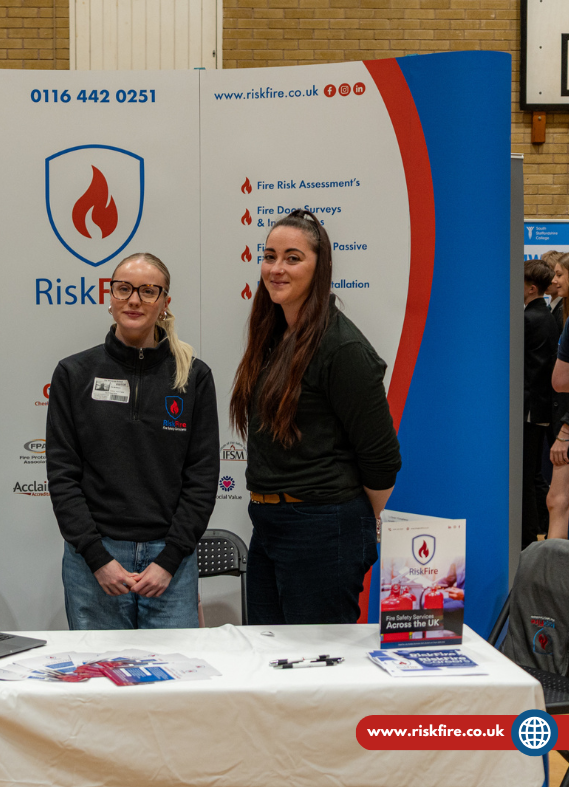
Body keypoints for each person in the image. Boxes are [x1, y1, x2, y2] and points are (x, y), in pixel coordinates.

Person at [229, 209, 401, 625]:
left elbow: (382, 460)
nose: (276, 268)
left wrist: (359, 518)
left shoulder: (342, 348)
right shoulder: (273, 336)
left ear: (319, 267)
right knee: (269, 662)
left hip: (324, 527)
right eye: (270, 256)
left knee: (317, 676)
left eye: (292, 257)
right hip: (269, 521)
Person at [46, 252, 219, 629]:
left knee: (174, 680)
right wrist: (97, 558)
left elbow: (203, 478)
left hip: (170, 562)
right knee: (98, 680)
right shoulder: (74, 373)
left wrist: (170, 560)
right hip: (95, 561)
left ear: (165, 302)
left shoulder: (194, 377)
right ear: (110, 298)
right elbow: (62, 476)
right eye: (124, 289)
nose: (134, 300)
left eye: (148, 291)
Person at [524, 258, 560, 548]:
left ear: (531, 288)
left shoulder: (530, 318)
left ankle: (530, 531)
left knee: (528, 472)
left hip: (531, 408)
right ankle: (540, 526)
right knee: (533, 471)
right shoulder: (544, 315)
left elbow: (531, 371)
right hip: (539, 406)